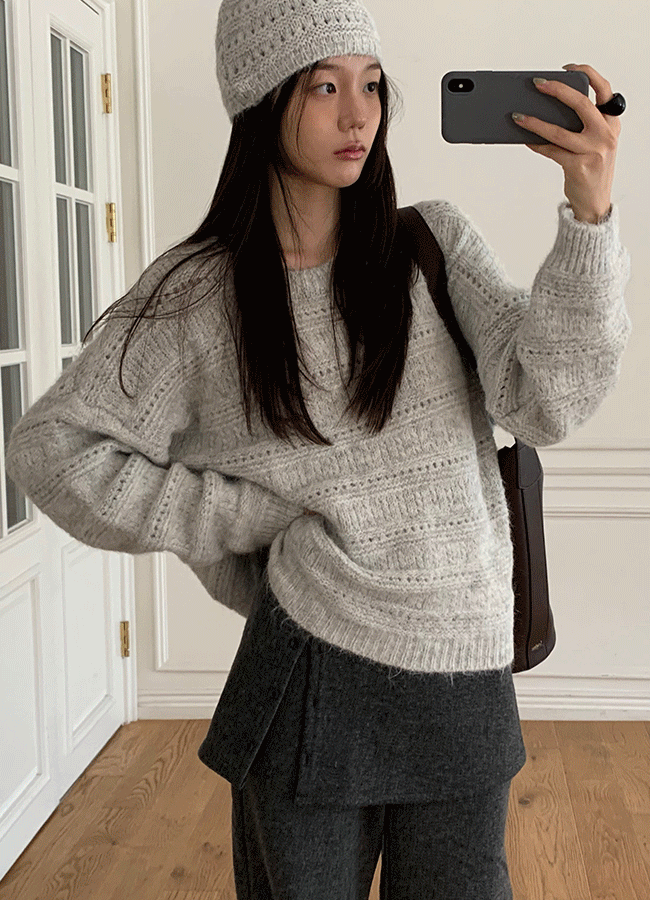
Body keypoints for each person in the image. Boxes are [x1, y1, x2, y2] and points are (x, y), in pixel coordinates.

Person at [5, 0, 632, 897]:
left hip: (464, 667)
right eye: (324, 87)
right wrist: (241, 514)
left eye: (370, 85)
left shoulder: (432, 244)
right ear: (261, 100)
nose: (357, 114)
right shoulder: (199, 293)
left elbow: (549, 402)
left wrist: (590, 212)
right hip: (307, 675)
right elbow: (55, 450)